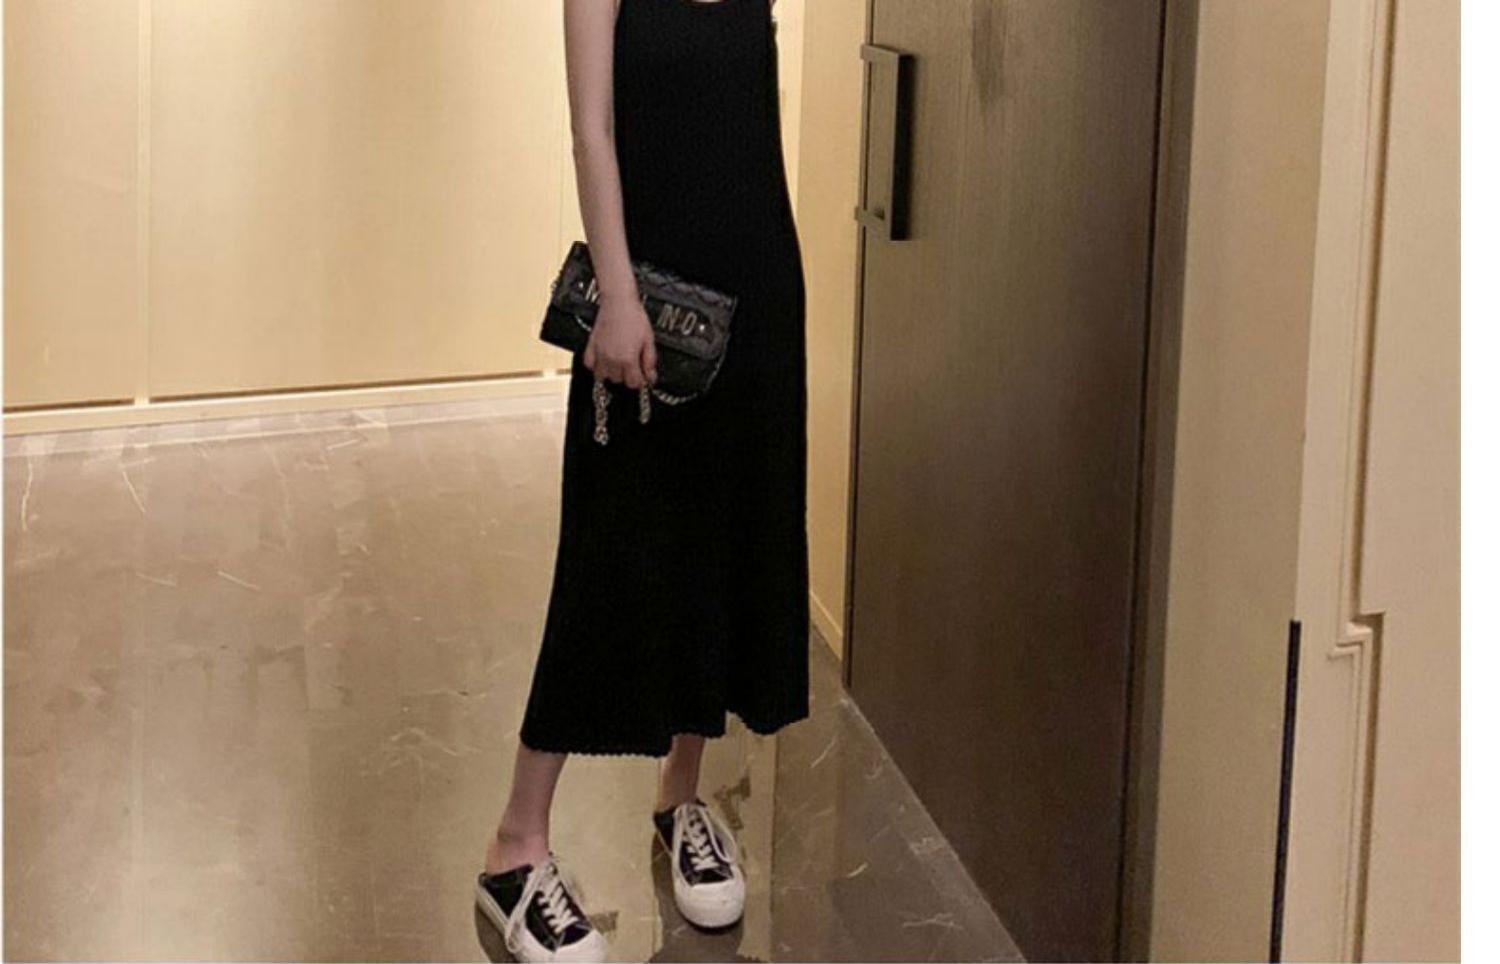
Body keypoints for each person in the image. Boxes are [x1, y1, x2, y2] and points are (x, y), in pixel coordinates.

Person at [473, 0, 809, 960]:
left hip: (758, 289)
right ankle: (515, 847)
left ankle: (681, 797)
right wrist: (618, 297)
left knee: (722, 541)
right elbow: (592, 131)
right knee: (610, 556)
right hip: (646, 305)